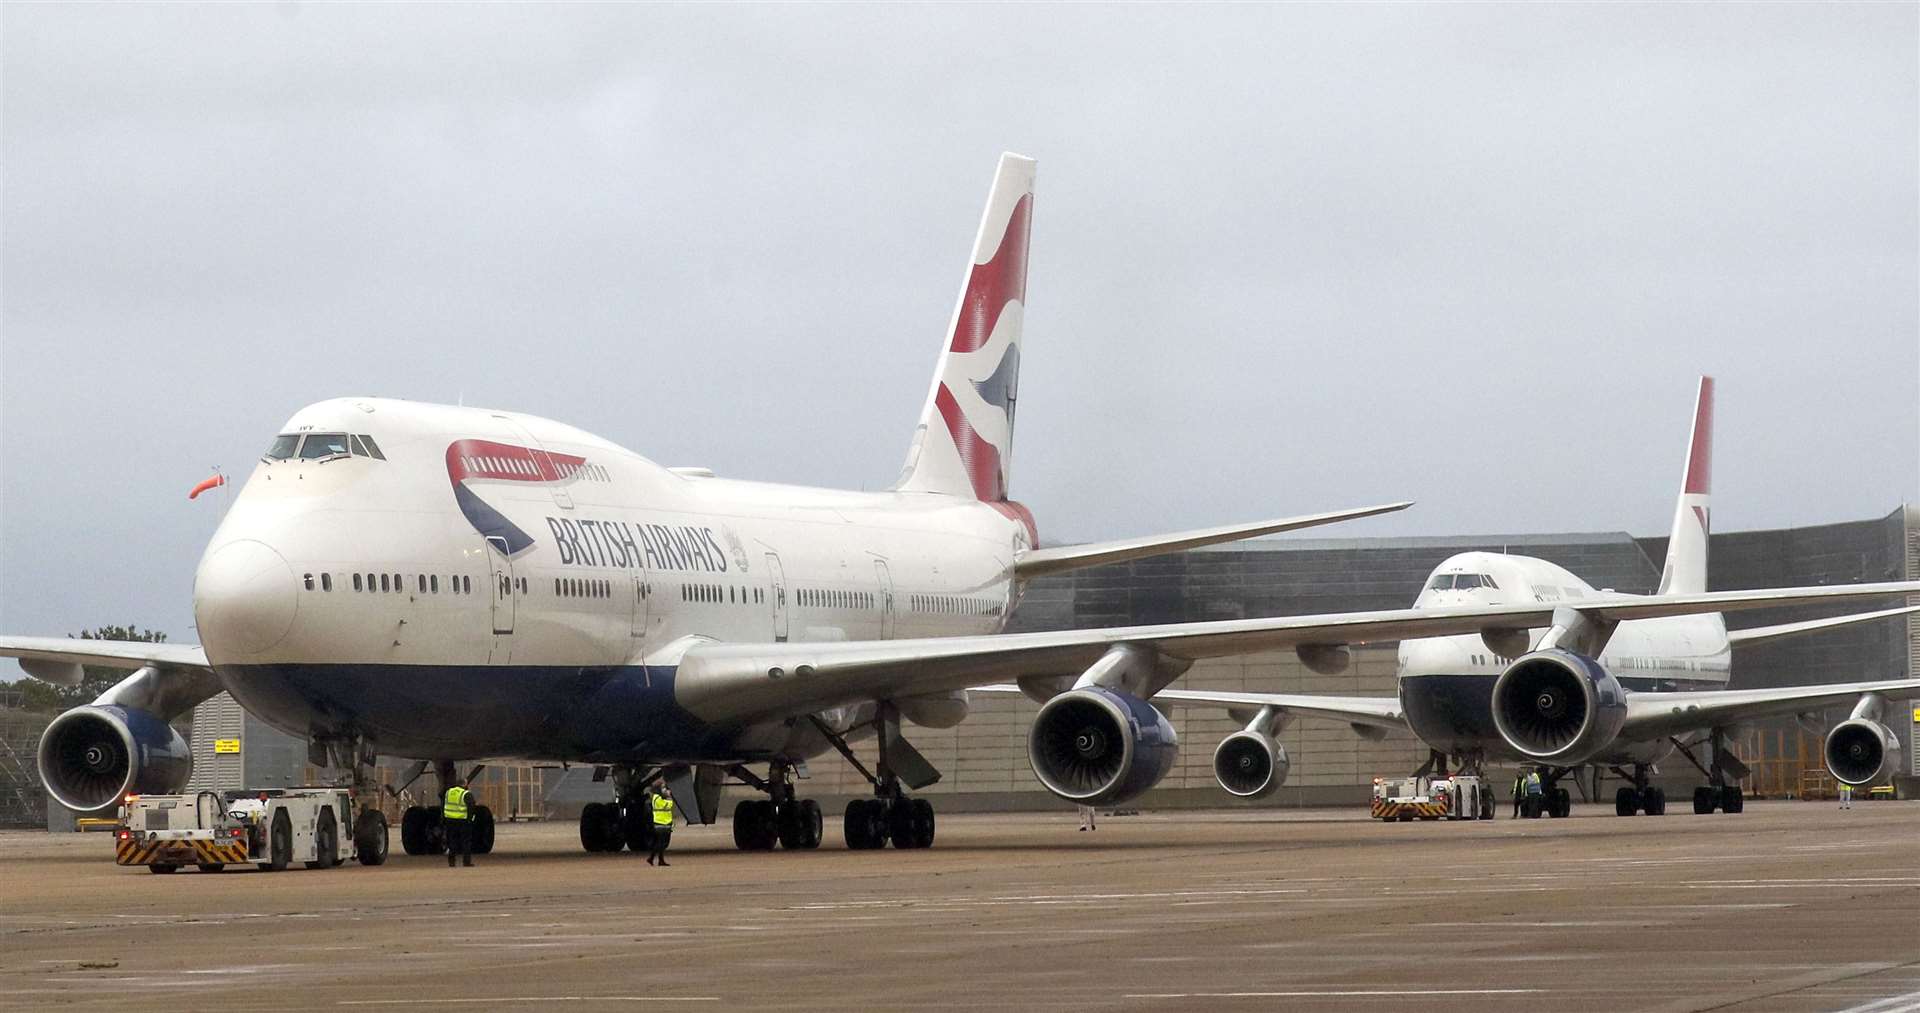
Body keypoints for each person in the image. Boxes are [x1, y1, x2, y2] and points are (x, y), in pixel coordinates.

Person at [443, 782, 474, 868]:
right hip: (463, 821)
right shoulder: (466, 794)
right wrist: (470, 820)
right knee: (466, 842)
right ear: (464, 785)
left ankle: (451, 862)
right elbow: (471, 807)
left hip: (450, 821)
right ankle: (466, 862)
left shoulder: (448, 792)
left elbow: (443, 805)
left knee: (452, 841)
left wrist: (443, 819)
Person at [647, 785, 676, 866]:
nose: (666, 790)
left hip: (664, 822)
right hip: (661, 823)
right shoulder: (657, 798)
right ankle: (653, 858)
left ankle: (658, 859)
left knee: (660, 842)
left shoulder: (657, 798)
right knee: (661, 843)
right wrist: (669, 797)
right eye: (663, 789)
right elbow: (667, 805)